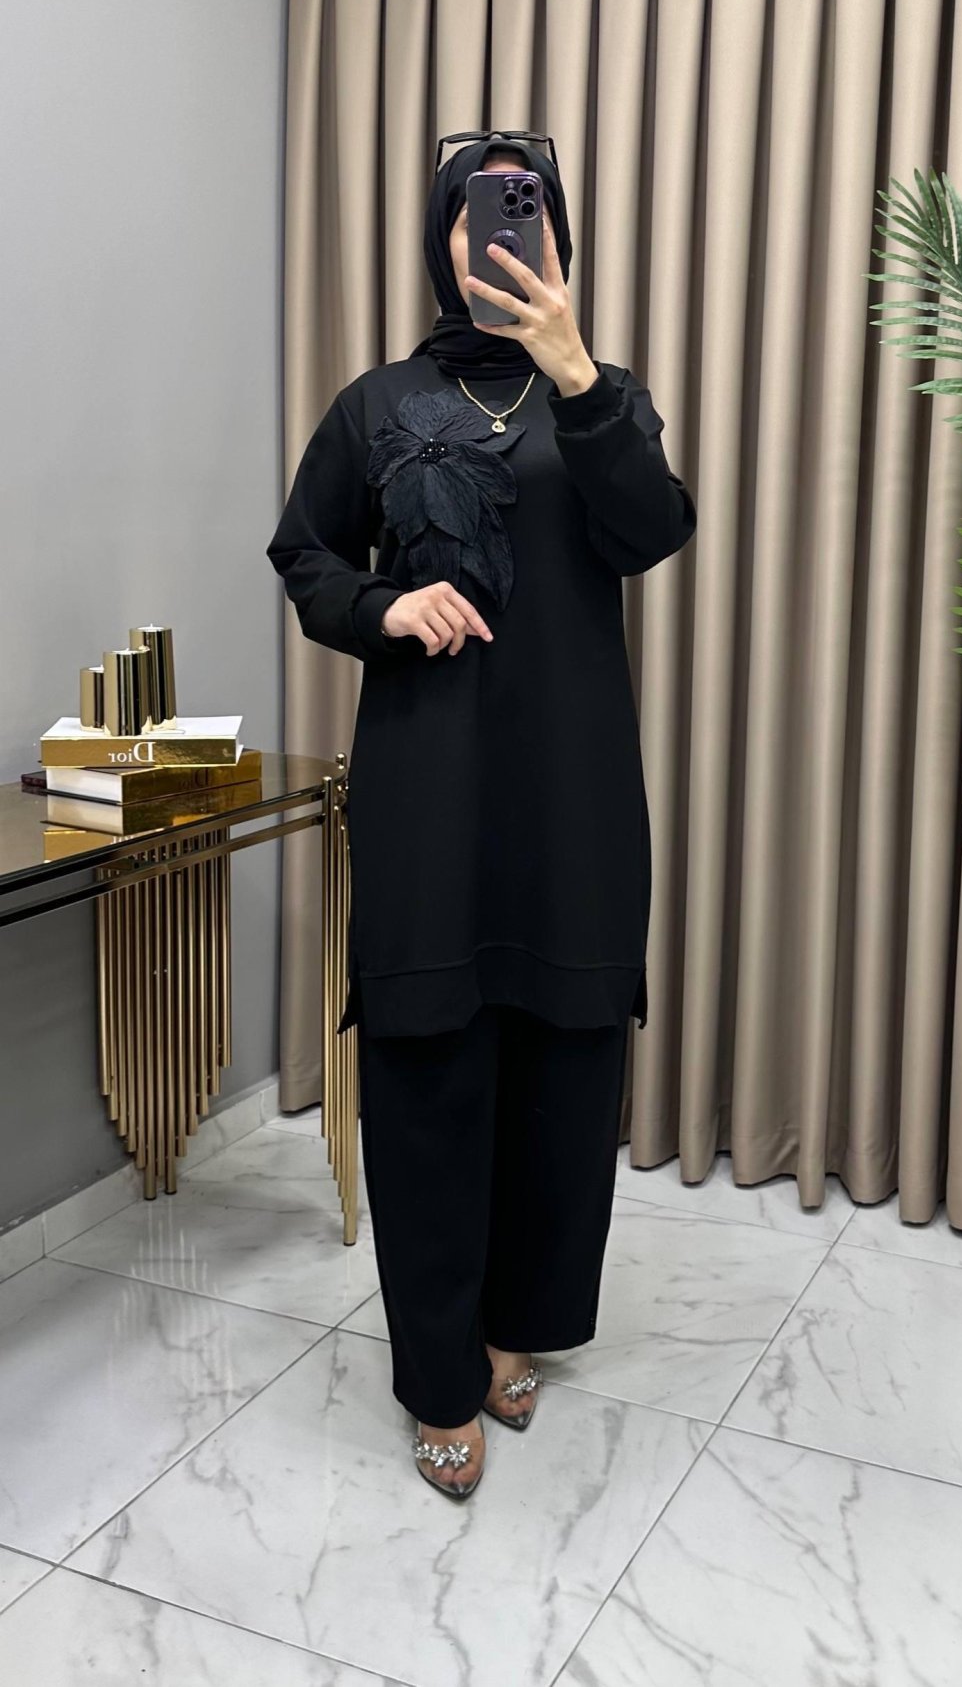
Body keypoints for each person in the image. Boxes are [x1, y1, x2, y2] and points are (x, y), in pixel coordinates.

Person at [267, 134, 696, 1498]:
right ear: (443, 237)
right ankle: (439, 1374)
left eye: (526, 210)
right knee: (430, 1085)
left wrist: (577, 372)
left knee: (565, 1081)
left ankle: (522, 1328)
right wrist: (384, 605)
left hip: (573, 798)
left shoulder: (603, 397)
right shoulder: (378, 404)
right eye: (477, 211)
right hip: (429, 794)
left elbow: (652, 531)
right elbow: (305, 556)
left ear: (556, 236)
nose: (501, 234)